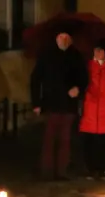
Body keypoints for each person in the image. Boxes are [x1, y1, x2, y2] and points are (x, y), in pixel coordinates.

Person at [31, 31, 88, 179]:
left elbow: (84, 78)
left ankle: (62, 170)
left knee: (65, 138)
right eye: (61, 37)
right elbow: (36, 79)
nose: (63, 40)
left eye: (66, 37)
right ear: (56, 39)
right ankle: (47, 170)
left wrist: (78, 89)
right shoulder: (47, 55)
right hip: (51, 103)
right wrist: (36, 103)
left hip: (69, 104)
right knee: (49, 138)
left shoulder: (76, 56)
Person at [78, 38, 105, 179]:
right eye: (95, 50)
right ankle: (90, 169)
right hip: (90, 109)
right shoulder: (88, 66)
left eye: (100, 50)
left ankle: (101, 169)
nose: (97, 53)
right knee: (88, 142)